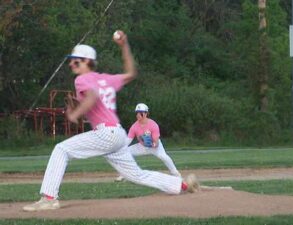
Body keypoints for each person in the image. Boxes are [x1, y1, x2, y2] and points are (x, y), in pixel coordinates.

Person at [23, 30, 199, 212]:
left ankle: (49, 198)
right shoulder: (105, 79)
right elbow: (131, 73)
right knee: (136, 174)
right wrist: (124, 45)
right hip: (118, 134)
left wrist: (74, 114)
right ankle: (182, 185)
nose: (71, 63)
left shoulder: (81, 79)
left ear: (87, 62)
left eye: (75, 60)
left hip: (106, 134)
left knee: (61, 149)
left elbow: (91, 97)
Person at [116, 103, 181, 181]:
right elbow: (128, 140)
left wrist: (151, 144)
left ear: (146, 114)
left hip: (155, 146)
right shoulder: (134, 127)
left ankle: (176, 174)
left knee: (164, 157)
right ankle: (125, 174)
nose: (138, 115)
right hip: (142, 146)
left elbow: (156, 143)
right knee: (126, 152)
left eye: (140, 112)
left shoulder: (153, 125)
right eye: (137, 113)